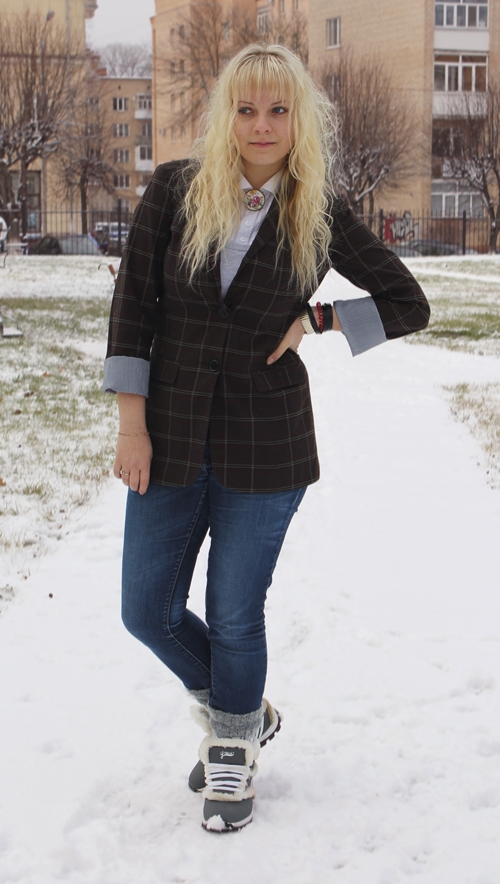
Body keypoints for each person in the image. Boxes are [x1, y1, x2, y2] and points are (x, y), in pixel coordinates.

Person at [103, 43, 430, 833]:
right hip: (169, 433)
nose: (261, 125)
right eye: (246, 109)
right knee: (146, 609)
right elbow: (133, 310)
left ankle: (233, 748)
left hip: (268, 442)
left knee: (234, 611)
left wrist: (318, 318)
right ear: (226, 114)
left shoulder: (318, 210)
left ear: (299, 119)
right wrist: (131, 425)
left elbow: (408, 302)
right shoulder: (175, 189)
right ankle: (244, 710)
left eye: (278, 110)